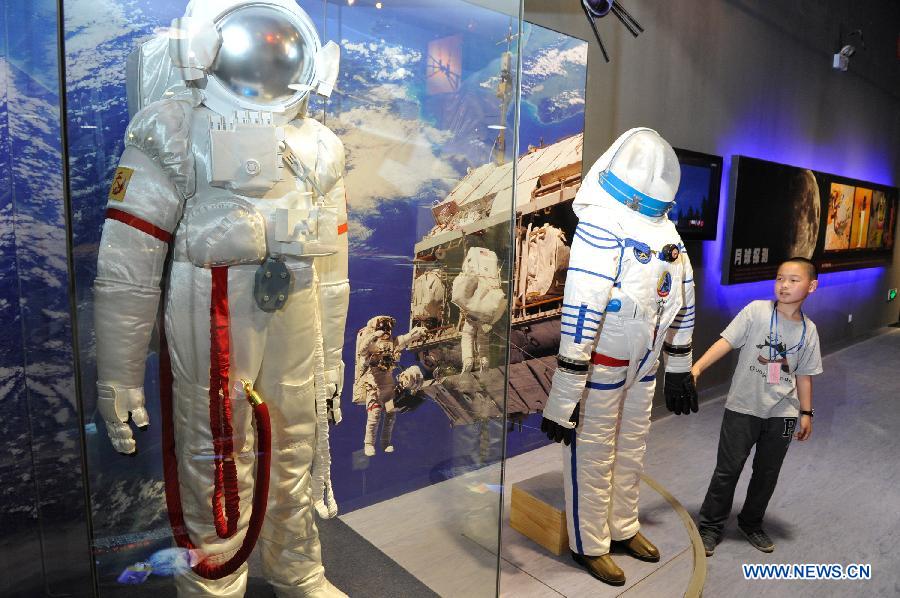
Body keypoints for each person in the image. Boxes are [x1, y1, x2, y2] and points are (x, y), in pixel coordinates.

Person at [93, 1, 349, 595]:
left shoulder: (318, 147)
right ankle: (214, 580)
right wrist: (119, 375)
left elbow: (334, 267)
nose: (268, 55)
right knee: (213, 446)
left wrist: (333, 358)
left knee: (297, 437)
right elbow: (126, 269)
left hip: (296, 307)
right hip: (210, 310)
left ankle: (298, 567)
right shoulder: (173, 130)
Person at [540, 128, 699, 586]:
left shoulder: (664, 227)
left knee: (631, 448)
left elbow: (683, 294)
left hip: (644, 365)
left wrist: (678, 364)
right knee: (591, 451)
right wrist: (566, 390)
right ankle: (588, 544)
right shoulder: (600, 224)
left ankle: (622, 526)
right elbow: (583, 306)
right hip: (605, 362)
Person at [692, 257, 822, 557]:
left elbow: (804, 375)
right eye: (780, 278)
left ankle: (751, 523)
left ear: (811, 286)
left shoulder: (809, 331)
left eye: (793, 279)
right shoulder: (756, 311)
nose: (784, 285)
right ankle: (710, 525)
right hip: (744, 406)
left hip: (783, 414)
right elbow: (726, 341)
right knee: (728, 470)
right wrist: (697, 369)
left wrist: (806, 413)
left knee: (767, 473)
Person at [353, 316, 427, 456]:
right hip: (374, 386)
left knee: (390, 415)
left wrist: (417, 332)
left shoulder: (393, 342)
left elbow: (405, 339)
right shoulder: (371, 343)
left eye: (388, 328)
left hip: (388, 386)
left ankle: (386, 442)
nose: (386, 331)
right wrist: (374, 335)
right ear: (376, 328)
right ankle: (368, 444)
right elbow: (362, 351)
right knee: (374, 416)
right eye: (383, 327)